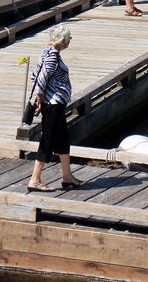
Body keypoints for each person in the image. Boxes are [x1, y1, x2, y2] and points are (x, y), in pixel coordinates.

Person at [27, 25, 84, 192]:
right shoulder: (52, 56)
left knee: (63, 138)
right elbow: (42, 77)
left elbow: (36, 74)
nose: (69, 41)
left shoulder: (47, 51)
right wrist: (40, 97)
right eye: (69, 38)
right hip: (52, 104)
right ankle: (35, 179)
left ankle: (67, 176)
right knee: (48, 139)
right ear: (63, 40)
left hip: (57, 104)